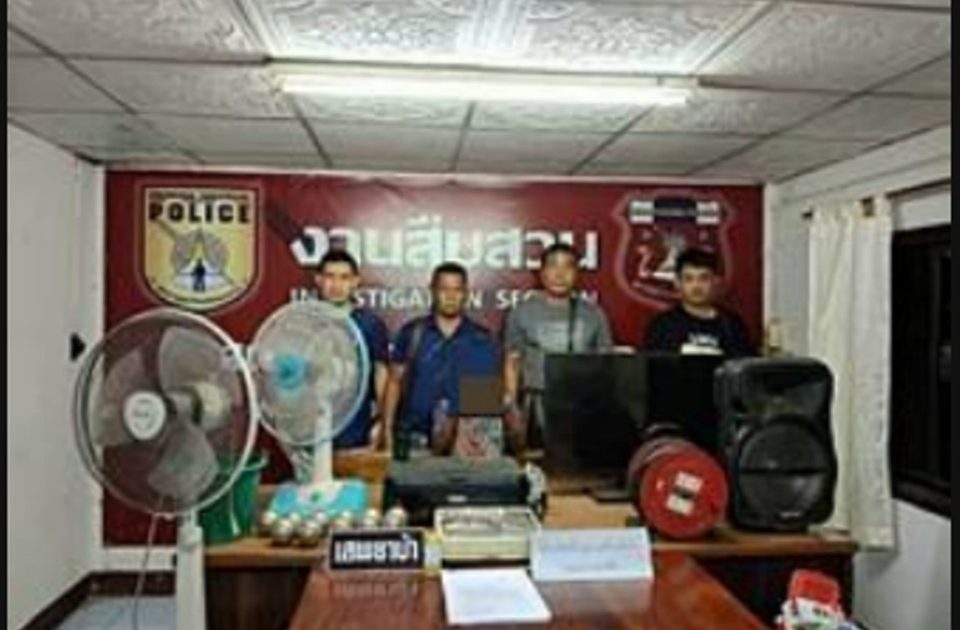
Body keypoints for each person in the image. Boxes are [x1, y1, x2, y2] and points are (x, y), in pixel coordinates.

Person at [381, 262, 525, 458]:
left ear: (466, 293)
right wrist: (387, 433)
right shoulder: (412, 333)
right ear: (432, 291)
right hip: (417, 439)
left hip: (467, 447)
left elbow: (487, 399)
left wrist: (470, 432)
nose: (450, 296)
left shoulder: (483, 339)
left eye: (457, 290)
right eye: (444, 289)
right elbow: (394, 383)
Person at [503, 243, 614, 442]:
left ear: (577, 273)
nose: (560, 274)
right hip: (536, 405)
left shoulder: (594, 314)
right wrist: (511, 407)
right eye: (553, 265)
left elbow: (606, 365)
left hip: (582, 407)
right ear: (542, 272)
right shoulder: (522, 312)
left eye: (567, 266)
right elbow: (512, 362)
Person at [314, 249, 390, 450]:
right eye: (330, 276)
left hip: (356, 432)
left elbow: (381, 374)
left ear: (356, 281)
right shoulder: (305, 321)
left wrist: (382, 422)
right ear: (318, 280)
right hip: (312, 430)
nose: (336, 285)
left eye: (344, 277)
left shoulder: (370, 324)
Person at [642, 247, 753, 356]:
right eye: (689, 279)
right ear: (677, 283)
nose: (696, 286)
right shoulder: (663, 326)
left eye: (704, 278)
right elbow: (653, 365)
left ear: (716, 281)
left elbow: (745, 365)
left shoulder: (732, 326)